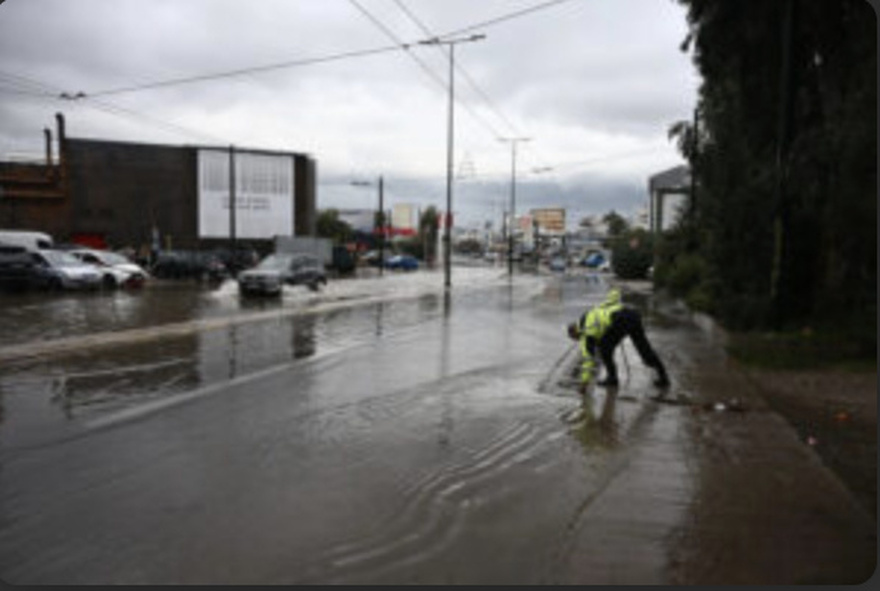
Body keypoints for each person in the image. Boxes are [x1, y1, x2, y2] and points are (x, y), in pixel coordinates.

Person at [567, 288, 670, 394]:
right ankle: (663, 377)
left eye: (576, 338)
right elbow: (612, 300)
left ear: (574, 332)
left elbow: (588, 360)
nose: (578, 340)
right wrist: (615, 291)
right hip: (632, 315)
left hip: (619, 321)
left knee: (605, 349)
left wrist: (584, 383)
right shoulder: (590, 313)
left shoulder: (586, 333)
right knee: (644, 349)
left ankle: (612, 379)